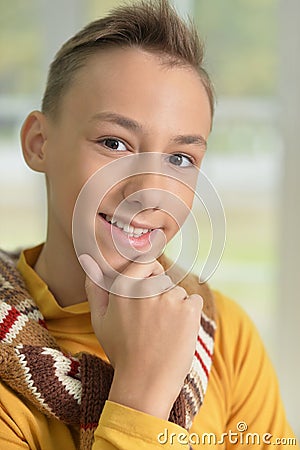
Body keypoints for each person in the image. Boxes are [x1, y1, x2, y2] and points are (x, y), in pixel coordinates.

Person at [0, 1, 298, 449]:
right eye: (115, 143)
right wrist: (141, 390)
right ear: (39, 144)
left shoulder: (227, 338)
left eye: (180, 159)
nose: (149, 190)